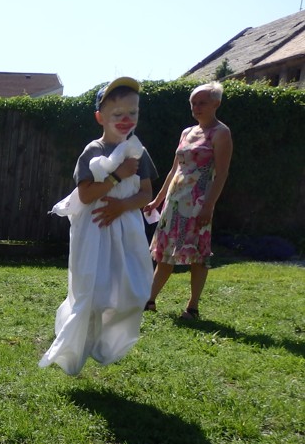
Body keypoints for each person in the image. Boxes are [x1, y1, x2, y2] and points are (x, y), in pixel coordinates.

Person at [39, 77, 157, 375]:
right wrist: (117, 176)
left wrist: (121, 206)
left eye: (133, 112)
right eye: (118, 114)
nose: (126, 119)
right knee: (92, 292)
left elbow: (146, 194)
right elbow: (86, 195)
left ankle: (106, 342)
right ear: (100, 117)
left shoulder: (138, 151)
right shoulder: (93, 151)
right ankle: (75, 347)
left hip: (126, 230)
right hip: (94, 229)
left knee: (133, 292)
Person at [145, 81, 233, 320]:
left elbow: (222, 173)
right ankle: (149, 300)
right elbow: (175, 170)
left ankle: (192, 307)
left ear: (216, 104)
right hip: (174, 201)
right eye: (193, 103)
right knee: (165, 251)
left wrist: (209, 205)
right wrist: (158, 200)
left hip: (198, 202)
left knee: (197, 254)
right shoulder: (186, 132)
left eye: (202, 103)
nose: (196, 107)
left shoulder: (221, 133)